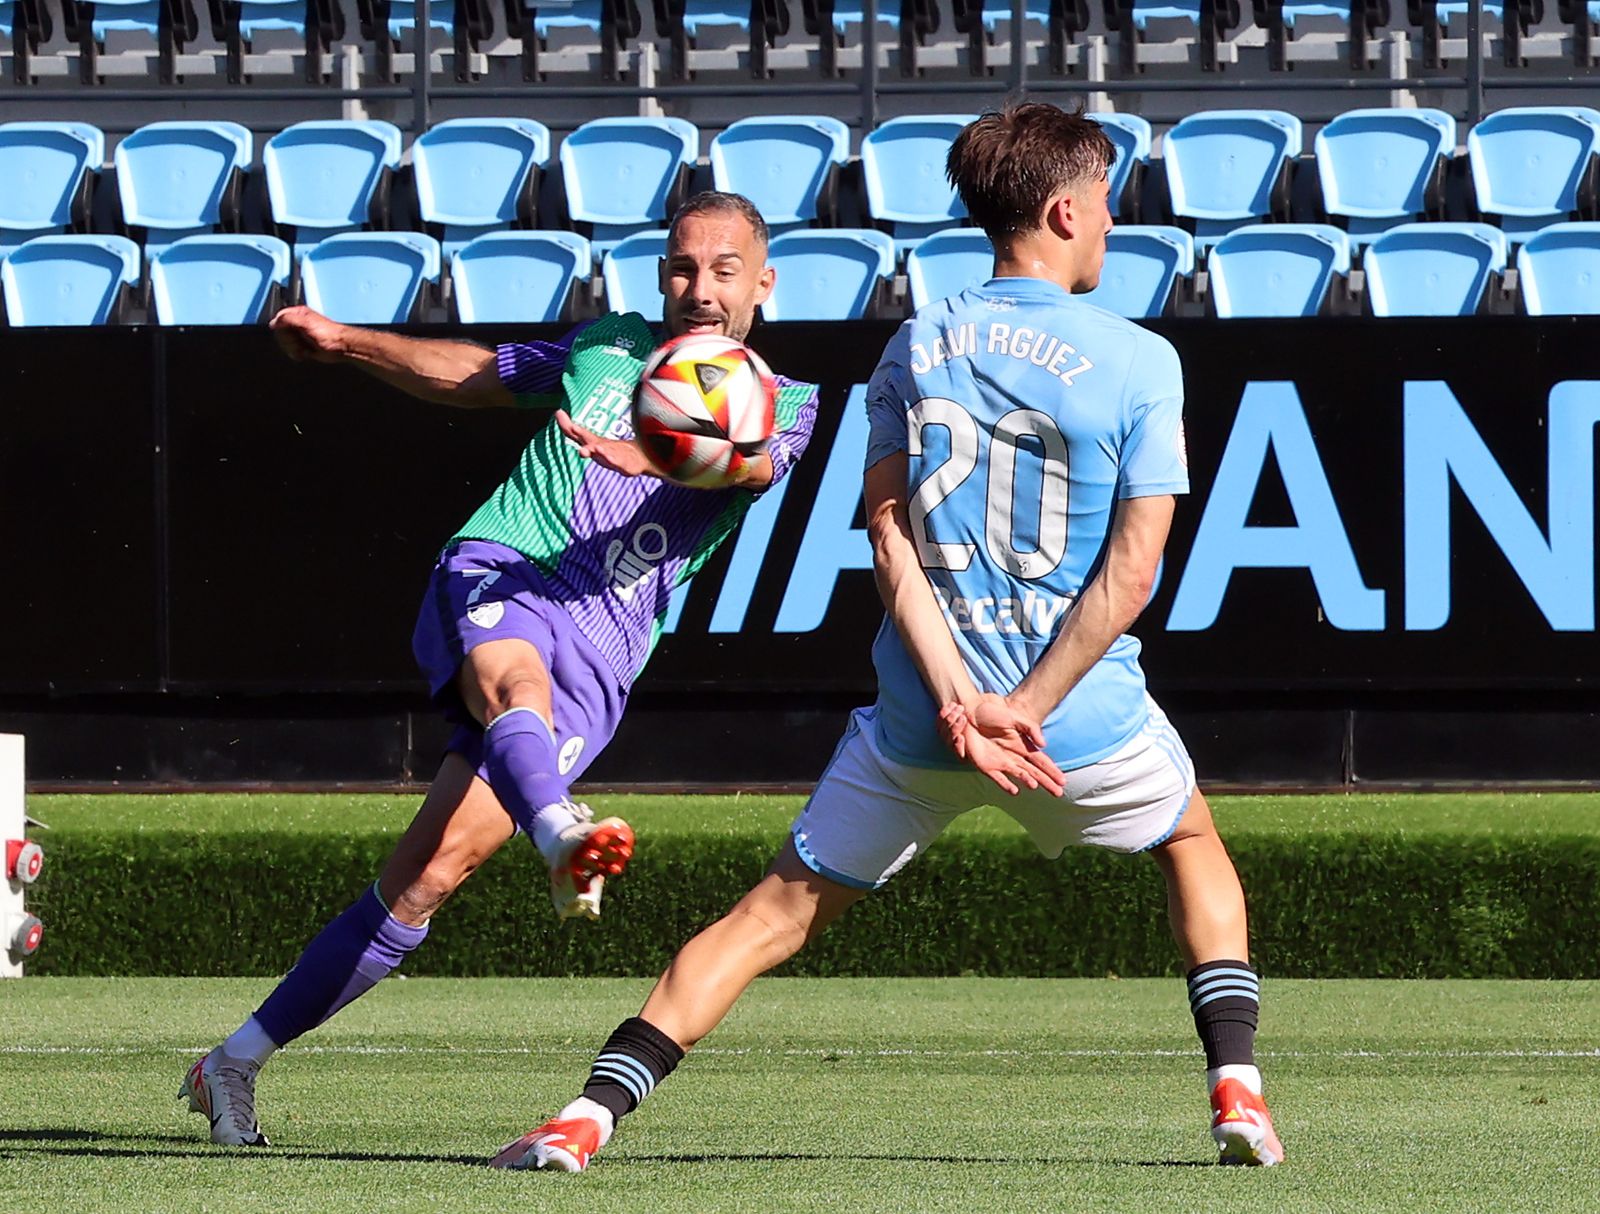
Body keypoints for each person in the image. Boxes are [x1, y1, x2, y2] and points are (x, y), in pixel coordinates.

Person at [497, 103, 1282, 1174]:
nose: (1110, 222)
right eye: (1104, 203)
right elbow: (1131, 572)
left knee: (769, 915)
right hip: (1072, 725)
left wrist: (960, 699)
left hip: (925, 720)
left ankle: (581, 1118)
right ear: (1063, 209)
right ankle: (1236, 1088)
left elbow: (885, 534)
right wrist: (1025, 707)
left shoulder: (915, 342)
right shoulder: (1142, 360)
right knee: (1192, 845)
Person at [179, 191, 820, 1150]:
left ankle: (232, 1060)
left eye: (723, 270)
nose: (700, 288)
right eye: (683, 266)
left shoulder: (785, 402)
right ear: (662, 274)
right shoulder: (605, 345)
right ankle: (557, 825)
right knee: (515, 682)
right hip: (510, 565)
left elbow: (751, 468)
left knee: (429, 877)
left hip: (605, 647)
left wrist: (651, 454)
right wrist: (347, 341)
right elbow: (477, 374)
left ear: (761, 283)